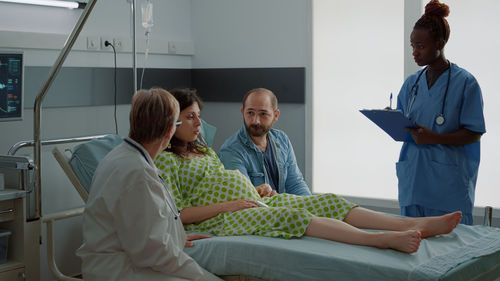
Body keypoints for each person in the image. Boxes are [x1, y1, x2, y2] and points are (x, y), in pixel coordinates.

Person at [155, 88, 463, 254]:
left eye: (199, 116)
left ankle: (413, 222)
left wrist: (255, 191)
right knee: (295, 216)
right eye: (191, 117)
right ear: (172, 123)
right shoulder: (166, 162)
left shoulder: (205, 151)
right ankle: (381, 239)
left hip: (251, 200)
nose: (200, 124)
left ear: (274, 116)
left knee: (326, 201)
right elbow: (176, 214)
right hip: (224, 218)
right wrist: (234, 203)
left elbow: (290, 184)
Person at [77, 88, 221, 281]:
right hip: (121, 271)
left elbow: (144, 225)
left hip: (126, 260)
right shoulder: (137, 171)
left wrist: (176, 236)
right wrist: (205, 277)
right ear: (171, 130)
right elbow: (152, 251)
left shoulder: (125, 157)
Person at [395, 0, 486, 225]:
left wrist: (435, 138)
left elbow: (474, 133)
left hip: (447, 185)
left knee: (452, 249)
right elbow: (402, 123)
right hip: (414, 179)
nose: (415, 52)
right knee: (413, 248)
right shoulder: (411, 84)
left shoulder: (466, 83)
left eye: (421, 46)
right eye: (412, 46)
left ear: (440, 43)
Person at [218, 88, 311, 196]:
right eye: (250, 113)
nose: (255, 121)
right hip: (258, 211)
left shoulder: (282, 139)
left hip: (281, 207)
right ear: (243, 112)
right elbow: (245, 197)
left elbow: (295, 184)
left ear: (275, 115)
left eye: (263, 114)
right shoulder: (231, 150)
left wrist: (311, 205)